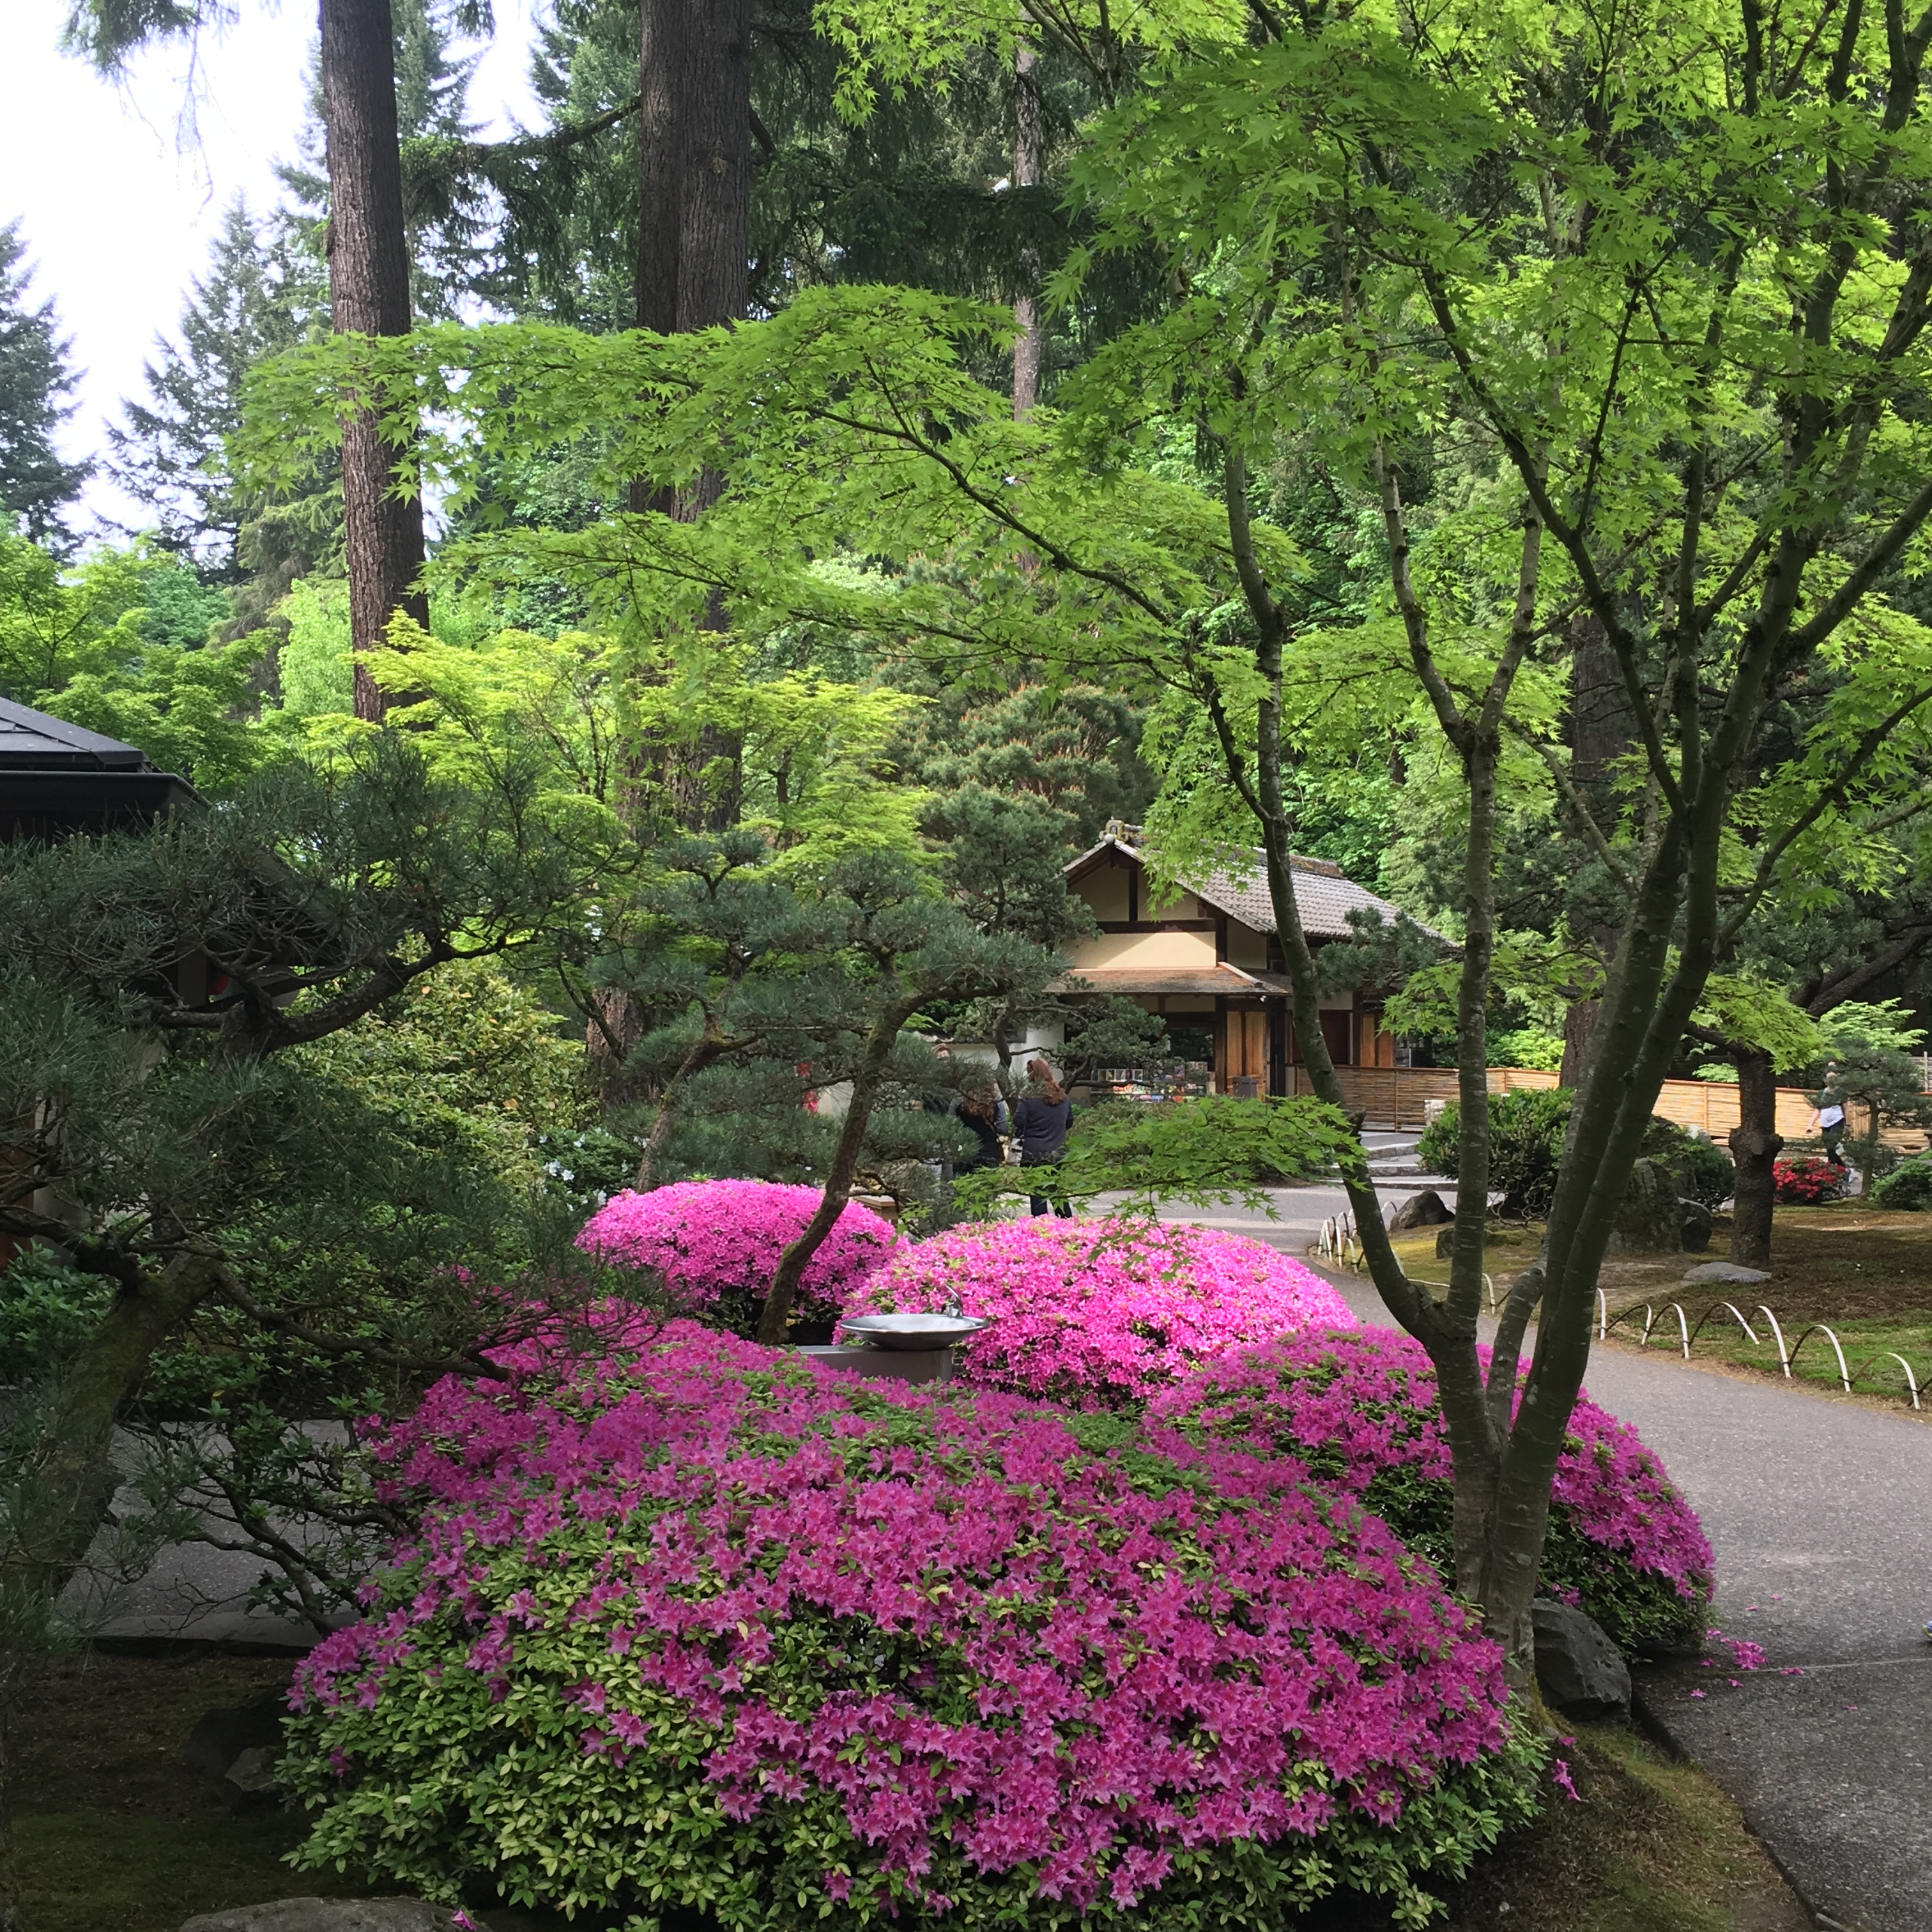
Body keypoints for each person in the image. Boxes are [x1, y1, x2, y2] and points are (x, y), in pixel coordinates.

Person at [1014, 1056, 1074, 1217]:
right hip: (1058, 1151)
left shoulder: (1028, 1096)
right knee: (1056, 1190)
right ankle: (1067, 1222)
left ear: (1032, 1075)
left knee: (1038, 1192)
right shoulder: (1062, 1096)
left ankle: (1042, 1227)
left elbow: (1019, 1121)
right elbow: (1069, 1122)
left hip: (1034, 1152)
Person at [954, 1084, 1009, 1172]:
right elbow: (1003, 1128)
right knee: (989, 1183)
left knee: (965, 1183)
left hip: (966, 1150)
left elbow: (952, 1124)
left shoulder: (958, 1100)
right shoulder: (996, 1101)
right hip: (990, 1150)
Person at [1810, 1068, 1848, 1170]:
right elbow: (1818, 1110)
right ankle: (1835, 1168)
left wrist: (1847, 1121)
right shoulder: (1821, 1093)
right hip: (1824, 1122)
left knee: (1832, 1143)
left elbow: (1845, 1107)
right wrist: (1811, 1125)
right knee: (1828, 1147)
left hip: (1837, 1121)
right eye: (1829, 1078)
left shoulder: (1841, 1092)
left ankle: (1837, 1167)